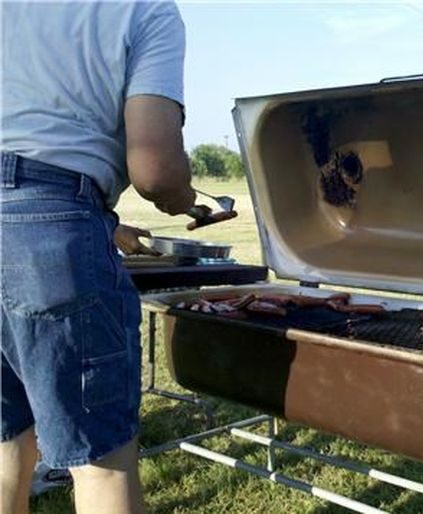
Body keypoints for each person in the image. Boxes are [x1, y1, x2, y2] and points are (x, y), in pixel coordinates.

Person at [1, 2, 198, 513]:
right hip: (51, 224)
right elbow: (156, 170)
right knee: (101, 462)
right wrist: (184, 198)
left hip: (36, 211)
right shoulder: (146, 10)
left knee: (6, 437)